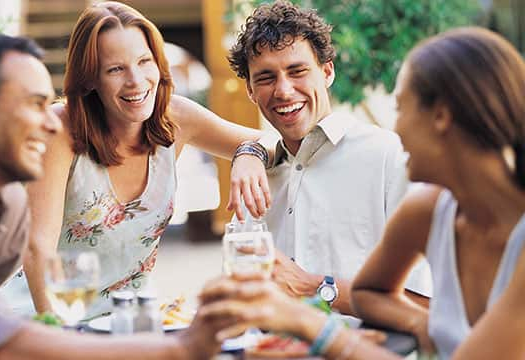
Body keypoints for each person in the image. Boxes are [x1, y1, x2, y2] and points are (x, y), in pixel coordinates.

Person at [0, 34, 233, 360]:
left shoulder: (3, 204)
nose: (51, 124)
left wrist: (250, 152)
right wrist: (178, 350)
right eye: (36, 105)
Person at [201, 27, 525, 360]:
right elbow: (373, 292)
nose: (395, 127)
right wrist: (421, 324)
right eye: (266, 78)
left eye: (400, 108)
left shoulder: (385, 155)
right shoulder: (428, 210)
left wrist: (309, 316)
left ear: (441, 117)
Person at [2, 0, 274, 319]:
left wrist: (247, 152)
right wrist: (57, 340)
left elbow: (276, 145)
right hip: (39, 318)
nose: (136, 81)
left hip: (125, 322)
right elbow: (38, 249)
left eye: (144, 61)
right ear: (90, 78)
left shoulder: (177, 117)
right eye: (116, 69)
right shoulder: (58, 130)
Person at [225, 0, 431, 314]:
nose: (283, 91)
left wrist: (314, 288)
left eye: (297, 71)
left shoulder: (388, 157)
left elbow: (426, 304)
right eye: (266, 78)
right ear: (251, 91)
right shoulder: (255, 178)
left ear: (327, 71)